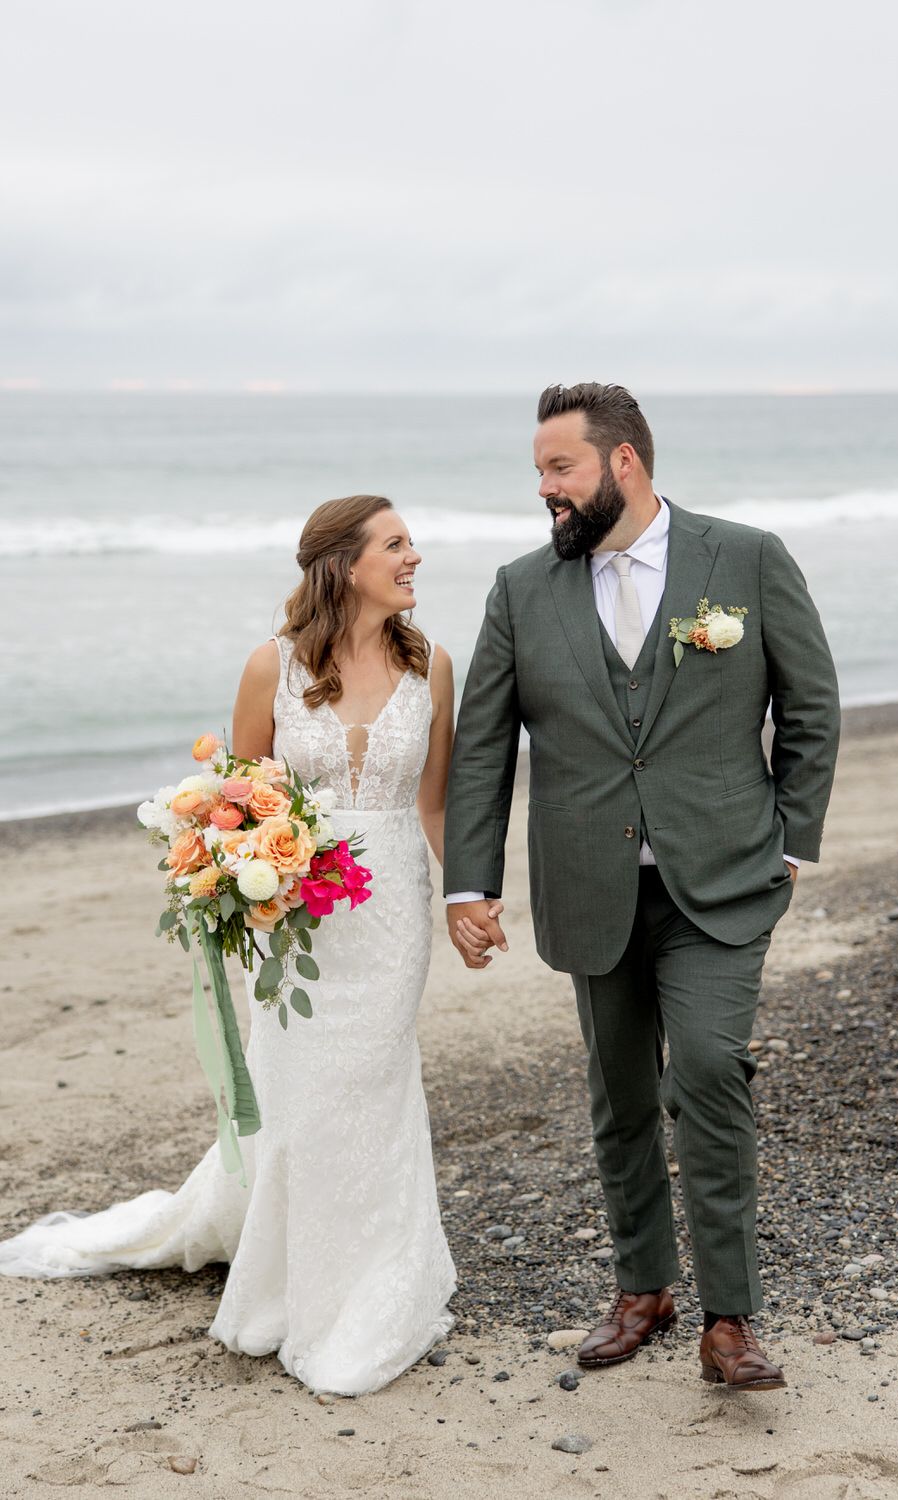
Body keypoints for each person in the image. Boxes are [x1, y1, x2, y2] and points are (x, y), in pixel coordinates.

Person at [0, 494, 466, 1396]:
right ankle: (290, 1270)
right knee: (297, 1082)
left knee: (374, 1077)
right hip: (296, 914)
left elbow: (433, 802)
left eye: (412, 542)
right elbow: (239, 803)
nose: (416, 557)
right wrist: (244, 881)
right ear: (342, 563)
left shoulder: (433, 666)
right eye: (396, 544)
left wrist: (464, 900)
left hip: (393, 912)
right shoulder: (273, 667)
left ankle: (376, 1276)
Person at [444, 384, 840, 1391]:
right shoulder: (520, 588)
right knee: (617, 1095)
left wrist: (793, 839)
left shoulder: (742, 558)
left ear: (621, 462)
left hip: (724, 881)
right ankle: (642, 1287)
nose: (545, 491)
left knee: (706, 1069)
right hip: (589, 885)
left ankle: (730, 1317)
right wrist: (468, 885)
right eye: (540, 473)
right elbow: (482, 746)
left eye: (559, 468)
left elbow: (810, 702)